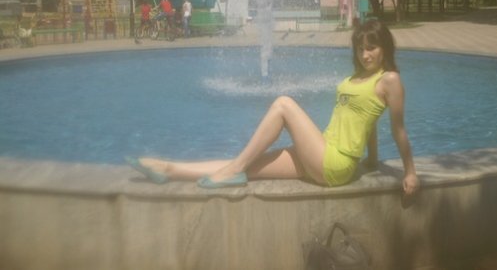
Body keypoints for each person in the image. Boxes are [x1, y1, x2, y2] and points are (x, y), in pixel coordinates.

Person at [126, 19, 420, 194]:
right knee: (249, 166)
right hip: (320, 151)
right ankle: (169, 169)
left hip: (335, 164)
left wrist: (410, 172)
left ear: (385, 48)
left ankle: (232, 170)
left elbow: (399, 130)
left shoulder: (390, 80)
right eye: (361, 48)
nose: (365, 55)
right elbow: (366, 121)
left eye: (372, 48)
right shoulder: (356, 78)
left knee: (283, 104)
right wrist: (371, 160)